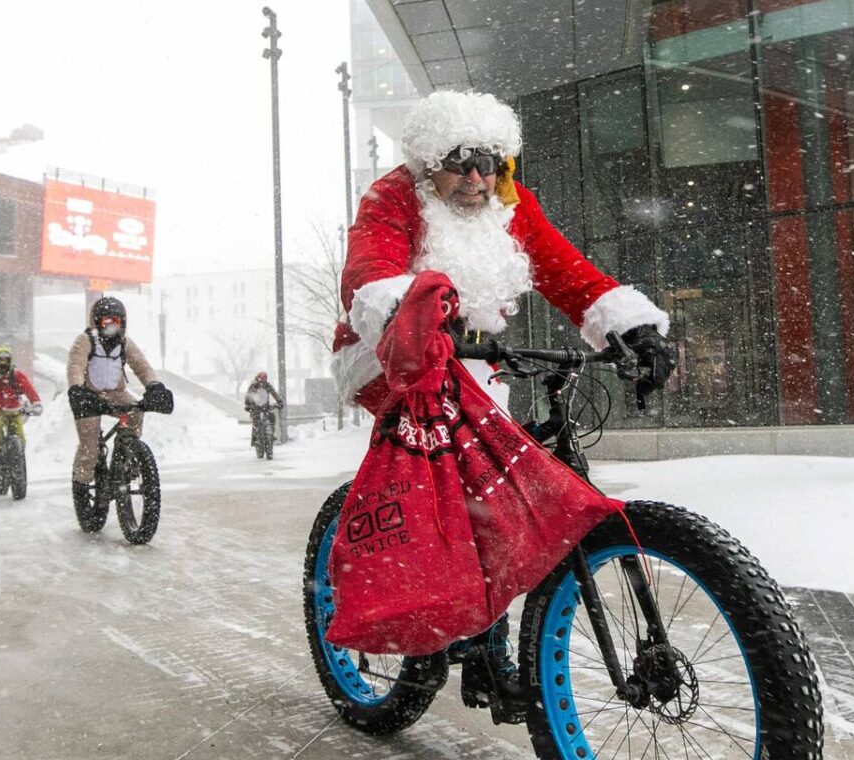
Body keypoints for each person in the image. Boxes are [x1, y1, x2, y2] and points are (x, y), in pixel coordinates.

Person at [332, 89, 677, 720]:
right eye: (461, 161)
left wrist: (632, 327)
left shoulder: (510, 207)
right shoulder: (395, 197)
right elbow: (369, 274)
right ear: (431, 161)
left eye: (491, 163)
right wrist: (409, 314)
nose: (477, 177)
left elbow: (567, 272)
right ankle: (476, 641)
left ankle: (484, 630)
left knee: (507, 479)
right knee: (467, 485)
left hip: (473, 352)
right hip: (385, 349)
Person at [66, 297, 165, 486]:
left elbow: (142, 366)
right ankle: (83, 485)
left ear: (123, 323)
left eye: (116, 322)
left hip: (115, 394)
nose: (112, 327)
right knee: (90, 447)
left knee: (135, 412)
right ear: (97, 322)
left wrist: (154, 385)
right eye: (107, 322)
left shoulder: (125, 343)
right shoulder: (85, 341)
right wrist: (77, 388)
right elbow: (75, 366)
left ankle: (126, 452)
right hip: (88, 396)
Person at [243, 371, 282, 440]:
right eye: (262, 378)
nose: (264, 379)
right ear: (258, 378)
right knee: (255, 419)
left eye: (265, 378)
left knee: (272, 417)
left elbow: (274, 393)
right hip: (255, 407)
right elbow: (248, 395)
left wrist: (279, 401)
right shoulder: (253, 385)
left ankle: (271, 434)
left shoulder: (267, 386)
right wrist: (247, 405)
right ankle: (255, 436)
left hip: (265, 407)